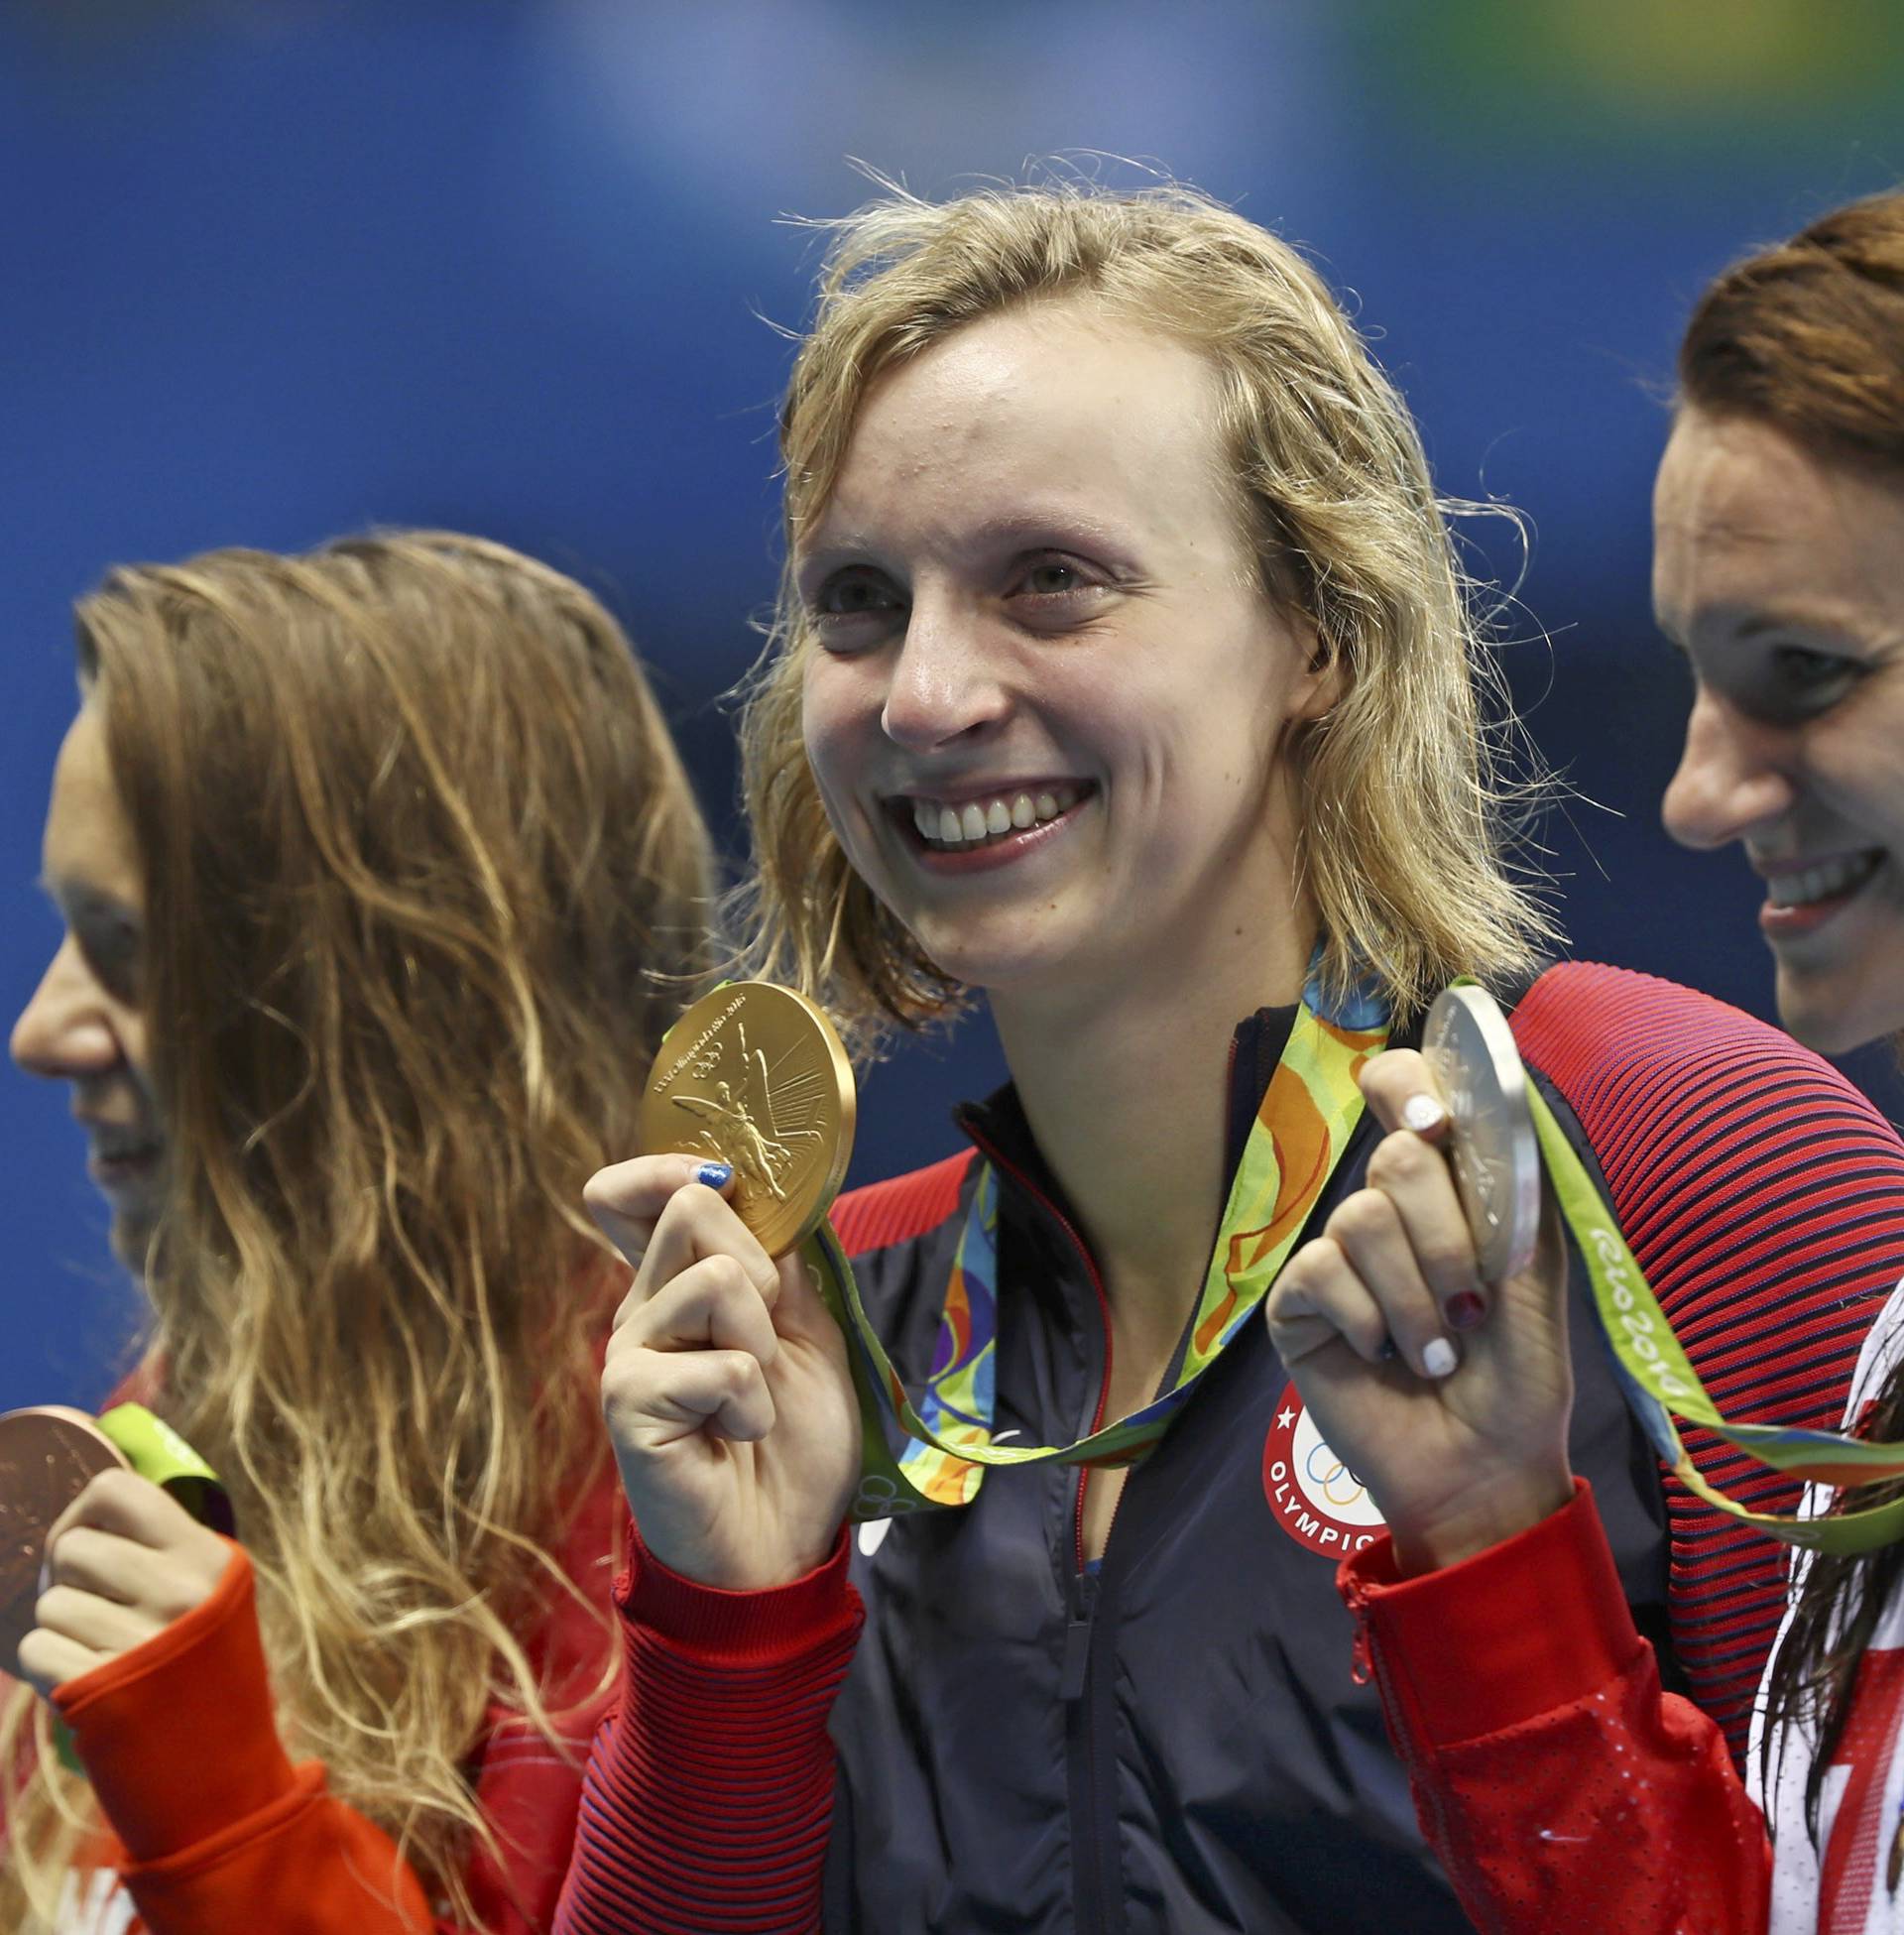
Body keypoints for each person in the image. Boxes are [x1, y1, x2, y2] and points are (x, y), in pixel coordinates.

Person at [554, 183, 1904, 1934]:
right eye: (861, 603)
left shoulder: (1681, 1161)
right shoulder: (840, 1330)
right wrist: (726, 1633)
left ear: (1317, 636)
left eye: (1053, 583)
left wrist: (1495, 1563)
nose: (925, 696)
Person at [1265, 190, 1904, 1933]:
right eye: (1704, 681)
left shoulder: (1752, 1179)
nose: (1699, 794)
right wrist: (1486, 1533)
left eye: (1804, 673)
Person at [1, 534, 712, 1933]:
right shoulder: (181, 1427)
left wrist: (223, 1812)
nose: (40, 1031)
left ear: (377, 1001)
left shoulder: (678, 1525)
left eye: (133, 952)